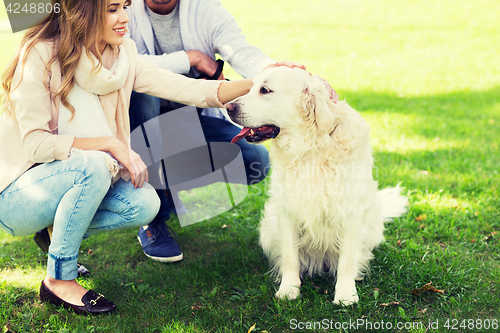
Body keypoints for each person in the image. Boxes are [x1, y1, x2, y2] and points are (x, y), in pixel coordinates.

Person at [0, 0, 297, 315]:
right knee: (95, 164)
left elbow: (193, 90)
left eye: (125, 7)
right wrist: (114, 146)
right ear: (84, 11)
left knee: (144, 203)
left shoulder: (122, 54)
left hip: (74, 176)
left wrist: (266, 83)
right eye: (113, 8)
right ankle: (59, 280)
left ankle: (55, 232)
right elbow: (36, 144)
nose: (125, 17)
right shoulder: (41, 53)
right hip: (18, 194)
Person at [126, 0, 278, 263]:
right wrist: (191, 58)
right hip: (136, 127)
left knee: (255, 161)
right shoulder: (122, 9)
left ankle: (165, 188)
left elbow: (239, 50)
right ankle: (153, 220)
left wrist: (274, 71)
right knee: (143, 93)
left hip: (190, 122)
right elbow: (123, 62)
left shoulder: (204, 9)